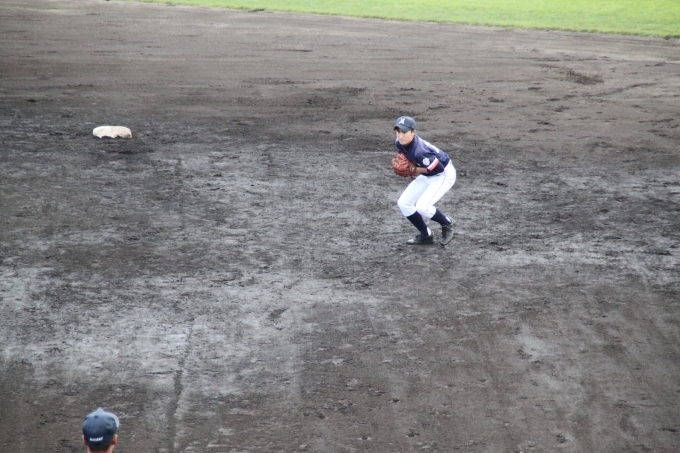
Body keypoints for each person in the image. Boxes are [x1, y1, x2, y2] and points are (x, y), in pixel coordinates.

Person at [393, 116, 457, 245]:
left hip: (443, 175)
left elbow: (438, 169)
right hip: (427, 173)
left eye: (404, 132)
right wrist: (409, 166)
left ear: (413, 132)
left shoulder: (420, 151)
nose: (400, 136)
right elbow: (405, 155)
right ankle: (426, 235)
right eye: (398, 131)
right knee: (403, 203)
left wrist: (415, 169)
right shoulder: (399, 142)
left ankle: (447, 223)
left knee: (422, 207)